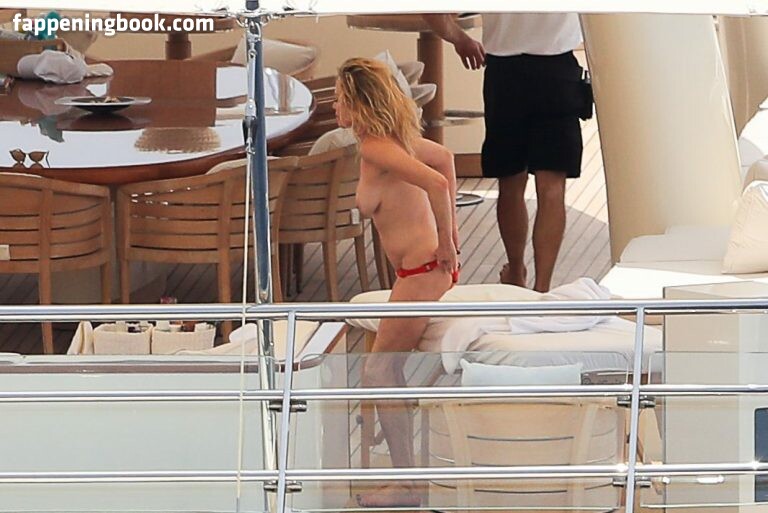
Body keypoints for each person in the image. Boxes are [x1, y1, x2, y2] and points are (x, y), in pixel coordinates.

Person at [333, 57, 460, 507]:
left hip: (423, 270)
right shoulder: (394, 141)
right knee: (387, 369)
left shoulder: (376, 148)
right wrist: (451, 240)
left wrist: (447, 243)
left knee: (377, 370)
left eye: (339, 100)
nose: (334, 108)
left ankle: (408, 485)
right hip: (422, 270)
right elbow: (444, 158)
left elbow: (437, 183)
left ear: (358, 104)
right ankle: (408, 477)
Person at [424, 13, 586, 292]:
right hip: (557, 69)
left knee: (510, 182)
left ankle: (516, 271)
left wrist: (460, 40)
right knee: (552, 188)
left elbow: (431, 11)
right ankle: (543, 288)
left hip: (505, 72)